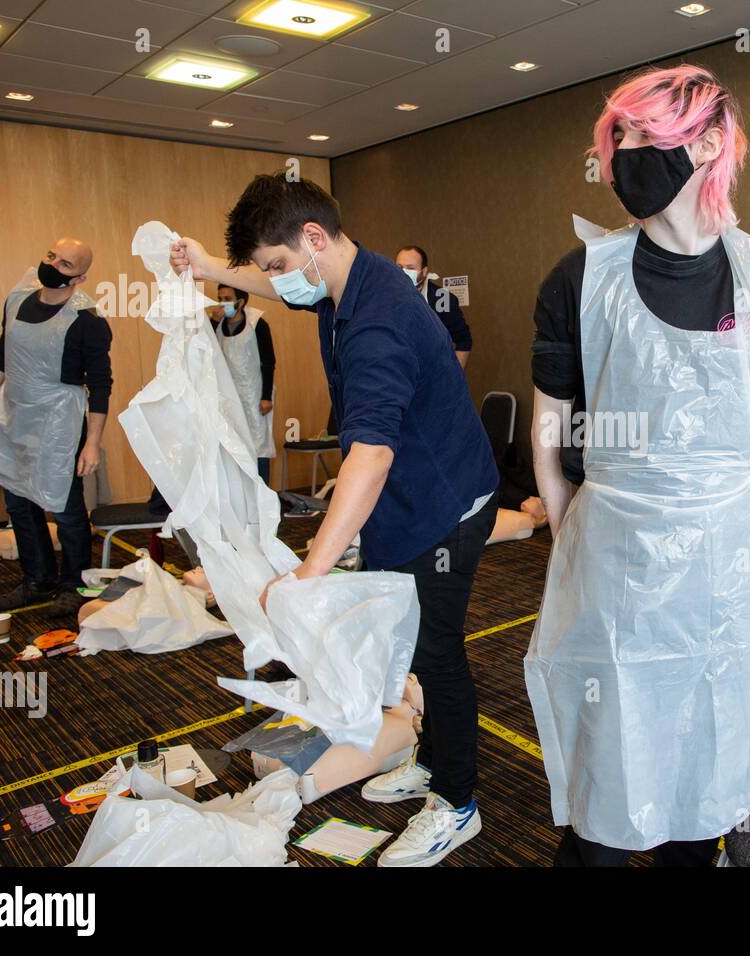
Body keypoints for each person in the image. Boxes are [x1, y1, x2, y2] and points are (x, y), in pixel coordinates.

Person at [526, 65, 750, 867]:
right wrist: (568, 525)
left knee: (703, 778)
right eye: (620, 138)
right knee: (606, 782)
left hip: (726, 557)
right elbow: (550, 421)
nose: (624, 154)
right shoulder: (581, 279)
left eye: (645, 136)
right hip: (614, 552)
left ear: (709, 144)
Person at [169, 172, 499, 867]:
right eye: (266, 271)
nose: (274, 282)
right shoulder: (340, 280)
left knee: (435, 656)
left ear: (313, 239)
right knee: (409, 647)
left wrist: (311, 570)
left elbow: (371, 457)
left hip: (443, 502)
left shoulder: (377, 321)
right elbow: (276, 277)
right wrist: (206, 267)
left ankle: (458, 802)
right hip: (406, 496)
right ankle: (433, 762)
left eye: (279, 267)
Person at [0, 240, 112, 617]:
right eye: (51, 256)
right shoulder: (17, 299)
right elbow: (2, 355)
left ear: (81, 276)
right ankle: (37, 579)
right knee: (18, 500)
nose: (53, 265)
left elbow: (102, 384)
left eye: (65, 263)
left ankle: (75, 585)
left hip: (60, 418)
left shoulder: (86, 319)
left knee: (64, 504)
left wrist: (92, 442)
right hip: (16, 412)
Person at [208, 284, 276, 484]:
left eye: (228, 298)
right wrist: (212, 323)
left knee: (259, 445)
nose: (223, 303)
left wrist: (266, 396)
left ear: (241, 301)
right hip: (230, 395)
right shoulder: (217, 325)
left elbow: (268, 361)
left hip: (255, 394)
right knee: (234, 444)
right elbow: (206, 348)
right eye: (220, 298)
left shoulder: (258, 323)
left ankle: (262, 497)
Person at [395, 245, 471, 368]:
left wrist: (453, 378)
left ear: (424, 272)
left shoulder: (443, 299)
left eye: (410, 268)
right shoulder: (387, 296)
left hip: (434, 372)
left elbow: (464, 341)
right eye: (399, 267)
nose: (403, 272)